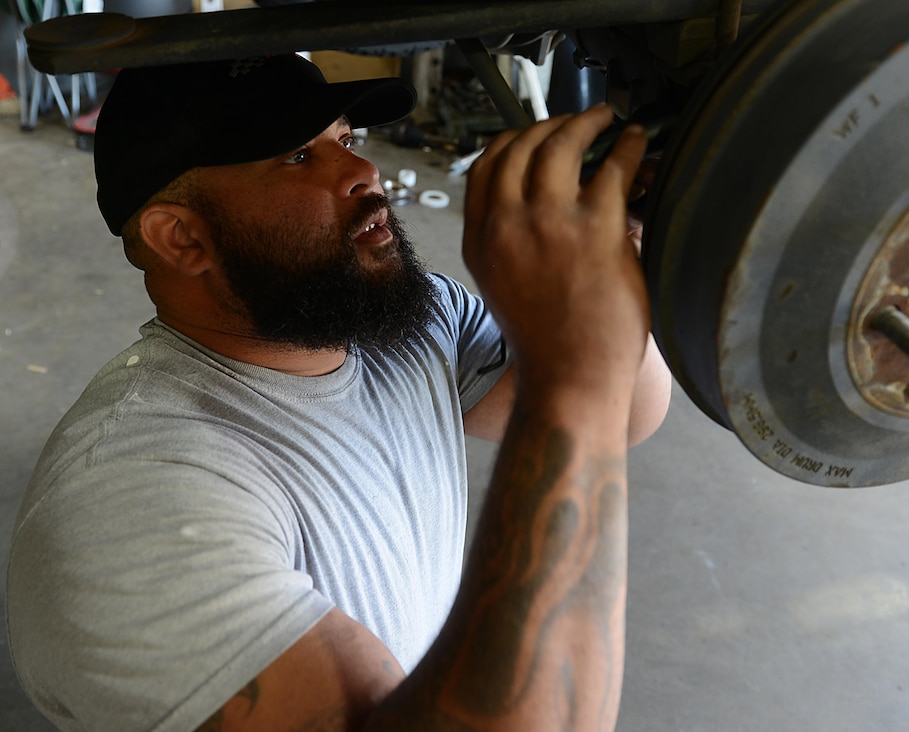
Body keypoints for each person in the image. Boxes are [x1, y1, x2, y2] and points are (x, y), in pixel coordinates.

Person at [6, 53, 671, 731]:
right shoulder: (130, 507)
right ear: (182, 237)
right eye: (298, 157)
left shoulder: (410, 321)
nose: (363, 173)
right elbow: (588, 393)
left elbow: (623, 415)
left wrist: (617, 253)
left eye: (346, 140)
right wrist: (577, 365)